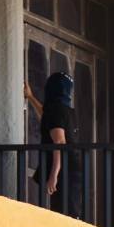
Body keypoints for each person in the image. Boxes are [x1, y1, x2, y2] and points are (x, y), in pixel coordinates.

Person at [25, 73, 83, 218]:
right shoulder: (66, 110)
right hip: (73, 168)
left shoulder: (55, 110)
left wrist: (54, 174)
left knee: (64, 212)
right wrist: (31, 97)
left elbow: (59, 142)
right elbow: (47, 117)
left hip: (65, 171)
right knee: (69, 210)